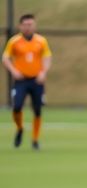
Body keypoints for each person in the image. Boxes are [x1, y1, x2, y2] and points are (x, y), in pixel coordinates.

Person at [3, 14, 51, 150]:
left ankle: (35, 140)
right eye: (25, 24)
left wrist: (43, 72)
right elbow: (5, 58)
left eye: (30, 24)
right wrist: (13, 71)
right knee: (17, 106)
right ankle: (20, 129)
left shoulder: (41, 41)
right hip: (21, 80)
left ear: (34, 25)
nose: (28, 27)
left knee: (37, 110)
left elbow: (47, 57)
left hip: (37, 80)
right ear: (20, 26)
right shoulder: (14, 41)